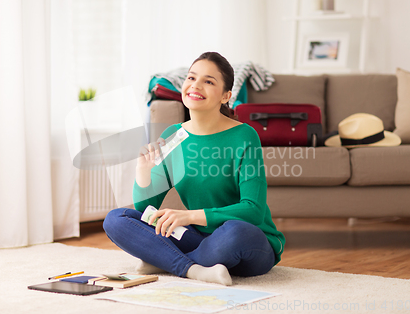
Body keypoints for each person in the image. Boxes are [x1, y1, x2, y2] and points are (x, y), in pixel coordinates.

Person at [104, 52, 285, 286]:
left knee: (234, 231)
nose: (195, 85)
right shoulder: (173, 136)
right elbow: (146, 210)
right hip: (198, 240)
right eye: (191, 78)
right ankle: (194, 269)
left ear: (225, 96)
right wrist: (143, 171)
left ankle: (165, 260)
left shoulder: (244, 135)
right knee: (116, 219)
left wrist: (188, 216)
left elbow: (253, 211)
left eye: (208, 81)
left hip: (247, 242)